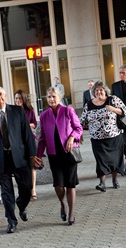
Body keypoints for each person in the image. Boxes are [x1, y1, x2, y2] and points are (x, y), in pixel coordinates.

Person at [0, 85, 43, 234]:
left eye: (1, 94)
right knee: (6, 192)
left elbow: (27, 134)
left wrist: (32, 154)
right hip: (0, 159)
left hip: (19, 157)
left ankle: (22, 206)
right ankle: (11, 221)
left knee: (27, 187)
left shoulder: (17, 111)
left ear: (5, 95)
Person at [37, 86, 83, 225]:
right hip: (53, 154)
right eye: (49, 97)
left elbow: (78, 128)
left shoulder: (67, 111)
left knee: (70, 184)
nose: (51, 99)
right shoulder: (44, 115)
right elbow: (42, 138)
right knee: (58, 185)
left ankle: (71, 213)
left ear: (60, 98)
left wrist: (71, 138)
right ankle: (62, 204)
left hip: (69, 153)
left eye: (54, 96)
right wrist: (38, 156)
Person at [81, 81, 126, 192]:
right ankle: (102, 183)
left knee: (114, 160)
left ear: (105, 90)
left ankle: (114, 180)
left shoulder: (113, 99)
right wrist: (79, 133)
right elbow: (82, 119)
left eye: (101, 89)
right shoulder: (89, 104)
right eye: (96, 90)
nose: (99, 92)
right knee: (100, 160)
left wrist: (113, 109)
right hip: (97, 139)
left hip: (114, 136)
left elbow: (125, 111)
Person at [14, 89, 38, 200]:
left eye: (19, 98)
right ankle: (24, 190)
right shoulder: (12, 111)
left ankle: (33, 190)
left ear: (23, 99)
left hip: (29, 140)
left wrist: (27, 125)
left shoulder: (29, 110)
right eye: (16, 98)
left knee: (32, 166)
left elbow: (35, 124)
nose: (17, 100)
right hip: (18, 142)